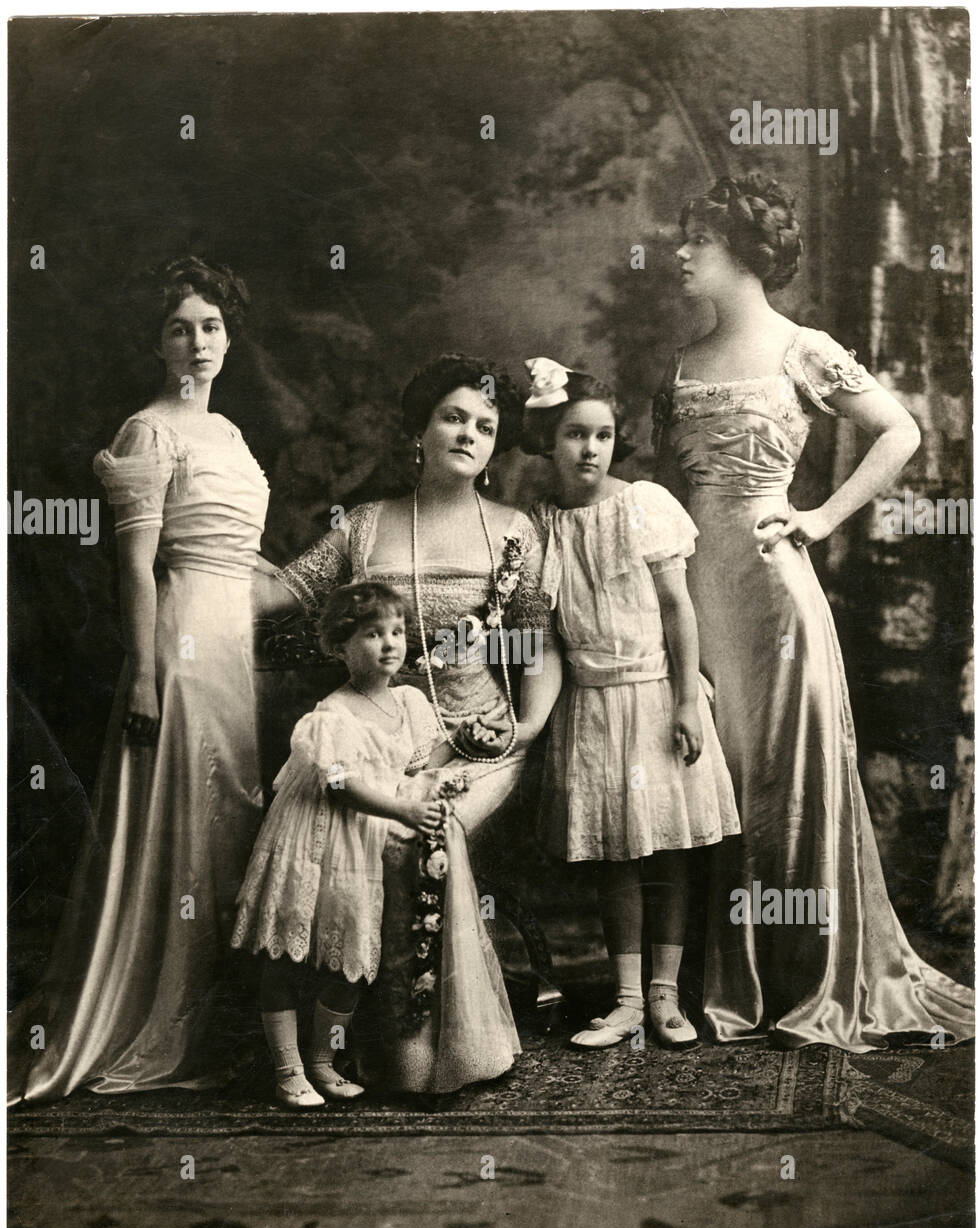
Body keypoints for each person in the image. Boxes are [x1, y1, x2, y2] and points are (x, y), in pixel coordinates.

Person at [654, 174, 974, 1050]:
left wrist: (823, 517)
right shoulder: (681, 364)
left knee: (788, 778)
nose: (680, 253)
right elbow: (661, 498)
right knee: (721, 772)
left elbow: (901, 430)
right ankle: (723, 978)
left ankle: (811, 978)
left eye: (698, 241)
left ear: (745, 254)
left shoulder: (804, 349)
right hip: (697, 594)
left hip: (775, 593)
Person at [9, 256, 270, 1103]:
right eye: (180, 328)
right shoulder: (147, 431)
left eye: (212, 327)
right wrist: (149, 679)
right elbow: (134, 567)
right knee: (187, 821)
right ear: (157, 344)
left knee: (232, 822)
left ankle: (214, 1021)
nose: (198, 344)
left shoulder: (227, 435)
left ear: (229, 339)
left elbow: (245, 556)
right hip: (184, 641)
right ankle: (160, 1022)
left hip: (238, 644)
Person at [267, 354, 562, 1091]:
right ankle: (371, 1046)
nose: (469, 434)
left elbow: (541, 649)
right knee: (392, 829)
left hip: (482, 743)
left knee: (430, 830)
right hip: (386, 743)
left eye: (486, 426)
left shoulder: (515, 532)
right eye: (454, 417)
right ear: (421, 431)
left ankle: (446, 1051)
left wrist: (524, 729)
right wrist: (200, 565)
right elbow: (287, 591)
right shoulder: (367, 526)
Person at [232, 581, 522, 1105]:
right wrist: (403, 808)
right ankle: (287, 1069)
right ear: (341, 646)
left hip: (363, 846)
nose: (390, 644)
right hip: (314, 838)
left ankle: (322, 1062)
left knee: (350, 958)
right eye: (372, 634)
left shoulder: (409, 701)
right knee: (288, 954)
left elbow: (418, 764)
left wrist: (467, 742)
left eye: (397, 632)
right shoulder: (332, 715)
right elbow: (341, 786)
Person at [522, 359, 740, 1049]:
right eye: (574, 436)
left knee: (668, 852)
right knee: (616, 856)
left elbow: (678, 609)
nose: (590, 449)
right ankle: (622, 1002)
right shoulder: (542, 525)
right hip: (590, 703)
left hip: (653, 694)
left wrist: (684, 700)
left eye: (603, 435)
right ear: (547, 442)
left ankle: (665, 997)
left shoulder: (641, 505)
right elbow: (549, 631)